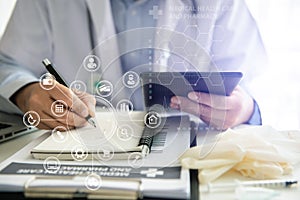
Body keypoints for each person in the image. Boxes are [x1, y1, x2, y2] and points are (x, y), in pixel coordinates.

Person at [0, 0, 266, 130]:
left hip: (189, 157)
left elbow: (251, 86)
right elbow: (7, 65)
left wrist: (245, 109)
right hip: (77, 151)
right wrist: (26, 93)